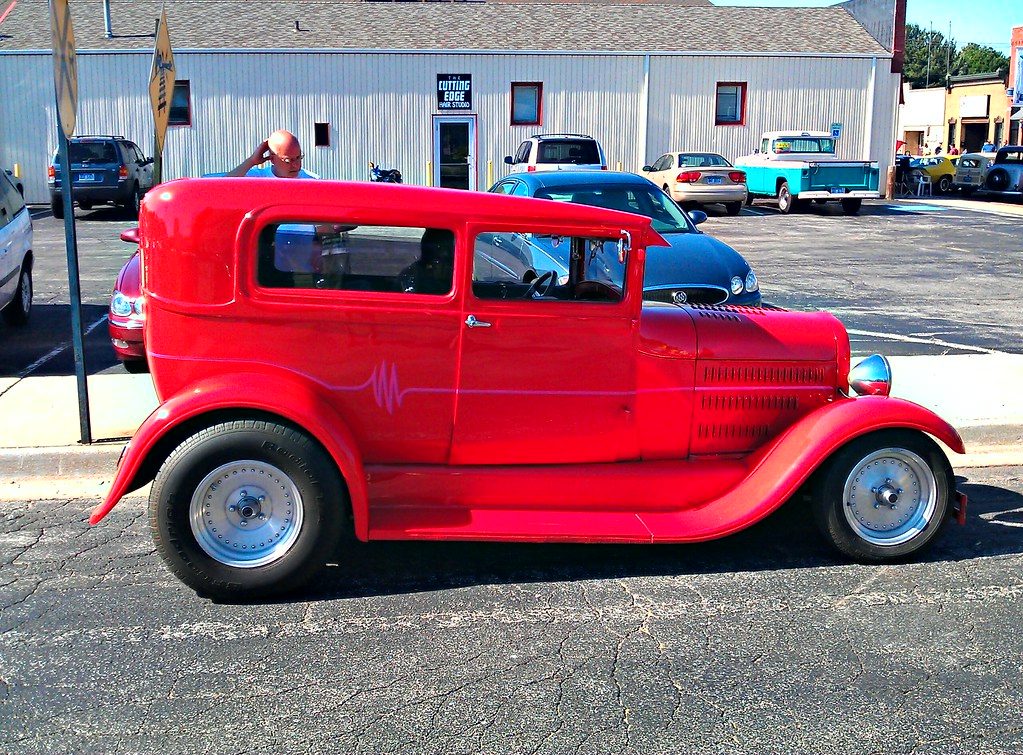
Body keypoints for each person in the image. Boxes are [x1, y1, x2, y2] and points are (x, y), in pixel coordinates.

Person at [227, 129, 318, 179]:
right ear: (272, 159)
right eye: (289, 160)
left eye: (298, 157)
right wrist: (252, 161)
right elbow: (226, 185)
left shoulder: (312, 182)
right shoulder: (258, 178)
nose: (296, 165)